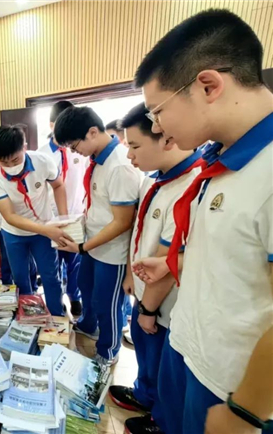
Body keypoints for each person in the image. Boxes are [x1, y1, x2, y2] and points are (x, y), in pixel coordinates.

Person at [134, 9, 273, 434]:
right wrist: (175, 263)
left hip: (231, 387)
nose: (158, 126)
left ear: (208, 86)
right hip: (187, 349)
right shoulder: (219, 161)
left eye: (157, 111)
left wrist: (247, 409)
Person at [107, 103, 202, 434]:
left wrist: (148, 309)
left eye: (135, 146)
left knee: (164, 367)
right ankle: (145, 395)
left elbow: (168, 260)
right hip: (144, 291)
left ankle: (159, 420)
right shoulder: (153, 180)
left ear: (166, 139)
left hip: (164, 304)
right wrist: (131, 276)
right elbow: (140, 232)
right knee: (147, 357)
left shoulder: (191, 186)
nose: (129, 154)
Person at [55, 106, 141, 366]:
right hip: (93, 244)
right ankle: (89, 326)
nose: (74, 152)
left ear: (92, 132)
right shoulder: (97, 159)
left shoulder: (120, 165)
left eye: (74, 145)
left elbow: (123, 222)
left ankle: (108, 351)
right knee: (87, 288)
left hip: (112, 252)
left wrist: (82, 247)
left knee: (107, 304)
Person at [0, 125, 70, 316]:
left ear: (24, 147)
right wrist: (46, 230)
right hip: (14, 233)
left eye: (15, 160)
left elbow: (58, 186)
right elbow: (10, 216)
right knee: (21, 278)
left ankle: (57, 316)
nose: (10, 166)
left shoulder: (43, 161)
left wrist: (64, 219)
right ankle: (31, 318)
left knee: (50, 276)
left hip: (44, 229)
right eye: (4, 161)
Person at [38, 100, 87, 317]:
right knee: (52, 265)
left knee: (75, 262)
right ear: (52, 125)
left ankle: (75, 297)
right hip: (50, 219)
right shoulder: (40, 155)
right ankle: (57, 302)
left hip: (75, 216)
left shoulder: (80, 151)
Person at [0, 195, 38, 290]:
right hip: (5, 226)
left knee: (29, 257)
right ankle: (7, 287)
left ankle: (32, 286)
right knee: (6, 257)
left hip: (26, 224)